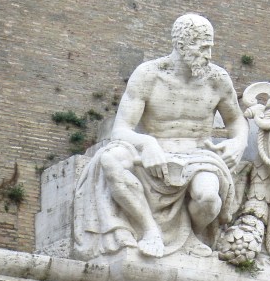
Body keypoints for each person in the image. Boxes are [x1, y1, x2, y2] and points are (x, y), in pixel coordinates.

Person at [73, 14, 248, 259]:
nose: (208, 55)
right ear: (181, 45)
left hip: (198, 156)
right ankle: (149, 230)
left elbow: (236, 120)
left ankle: (193, 237)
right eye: (202, 48)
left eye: (210, 47)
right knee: (110, 159)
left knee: (208, 198)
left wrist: (239, 142)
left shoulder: (217, 79)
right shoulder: (148, 75)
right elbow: (120, 130)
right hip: (156, 153)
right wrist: (147, 143)